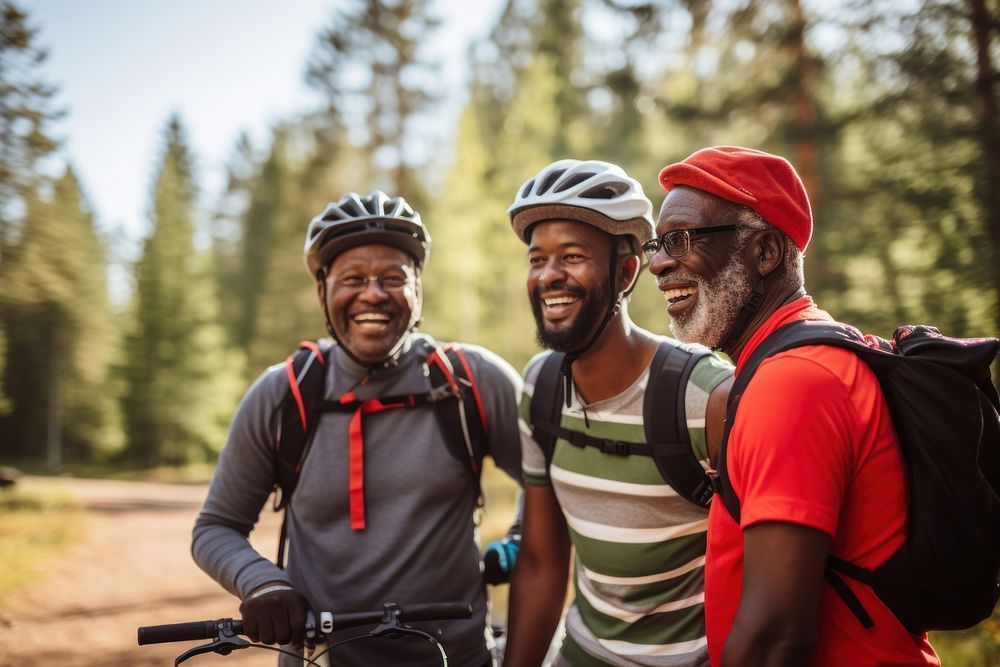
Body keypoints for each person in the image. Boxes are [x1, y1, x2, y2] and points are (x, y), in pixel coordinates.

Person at [192, 191, 523, 667]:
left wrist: (516, 542)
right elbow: (216, 527)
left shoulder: (470, 382)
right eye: (352, 278)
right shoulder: (284, 394)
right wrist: (262, 582)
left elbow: (548, 483)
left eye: (393, 278)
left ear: (417, 290)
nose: (372, 293)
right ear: (322, 290)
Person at [649, 146, 939, 666]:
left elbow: (776, 636)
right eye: (657, 243)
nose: (657, 263)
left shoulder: (793, 381)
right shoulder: (792, 357)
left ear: (765, 253)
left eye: (680, 239)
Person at [502, 159, 734, 667]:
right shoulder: (540, 388)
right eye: (537, 259)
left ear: (626, 271)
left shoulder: (704, 395)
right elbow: (542, 563)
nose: (549, 276)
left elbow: (761, 582)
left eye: (572, 256)